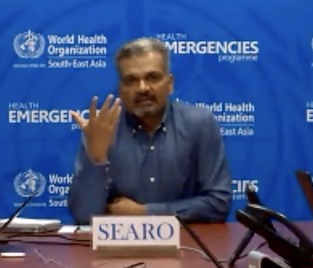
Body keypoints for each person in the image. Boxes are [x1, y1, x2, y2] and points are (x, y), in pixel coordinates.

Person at [67, 37, 232, 224]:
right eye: (131, 80)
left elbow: (219, 203)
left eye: (152, 77)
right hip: (118, 240)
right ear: (120, 89)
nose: (143, 88)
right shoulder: (103, 130)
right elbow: (84, 216)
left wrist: (145, 212)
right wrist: (97, 159)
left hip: (185, 241)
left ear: (170, 84)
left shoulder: (199, 124)